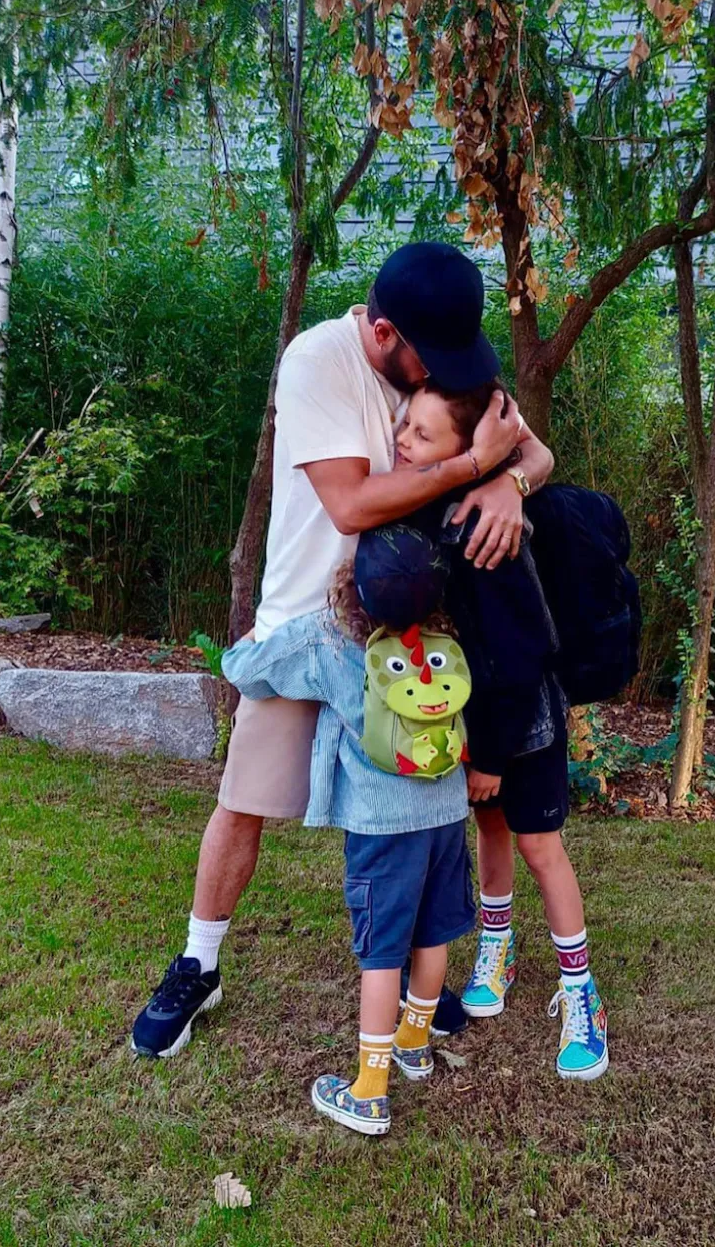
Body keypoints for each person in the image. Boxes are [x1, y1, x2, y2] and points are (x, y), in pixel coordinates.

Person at [131, 242, 554, 1059]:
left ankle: (412, 988)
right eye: (434, 359)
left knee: (423, 818)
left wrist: (508, 482)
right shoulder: (317, 359)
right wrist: (472, 462)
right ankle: (199, 963)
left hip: (410, 637)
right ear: (386, 333)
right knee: (244, 800)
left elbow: (532, 449)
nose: (452, 374)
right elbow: (353, 502)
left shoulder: (446, 361)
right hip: (303, 625)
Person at [222, 525, 476, 1136]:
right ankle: (414, 1042)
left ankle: (367, 1090)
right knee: (434, 929)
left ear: (350, 582)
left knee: (382, 951)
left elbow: (247, 672)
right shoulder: (446, 638)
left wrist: (248, 640)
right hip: (445, 810)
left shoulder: (327, 639)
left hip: (380, 823)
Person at [397, 382, 609, 1081]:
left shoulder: (489, 531)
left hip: (526, 722)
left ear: (467, 450)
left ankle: (582, 992)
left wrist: (489, 754)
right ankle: (498, 945)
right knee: (488, 831)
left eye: (423, 435)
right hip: (475, 718)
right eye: (405, 426)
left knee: (540, 845)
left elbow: (522, 653)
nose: (403, 441)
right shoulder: (434, 512)